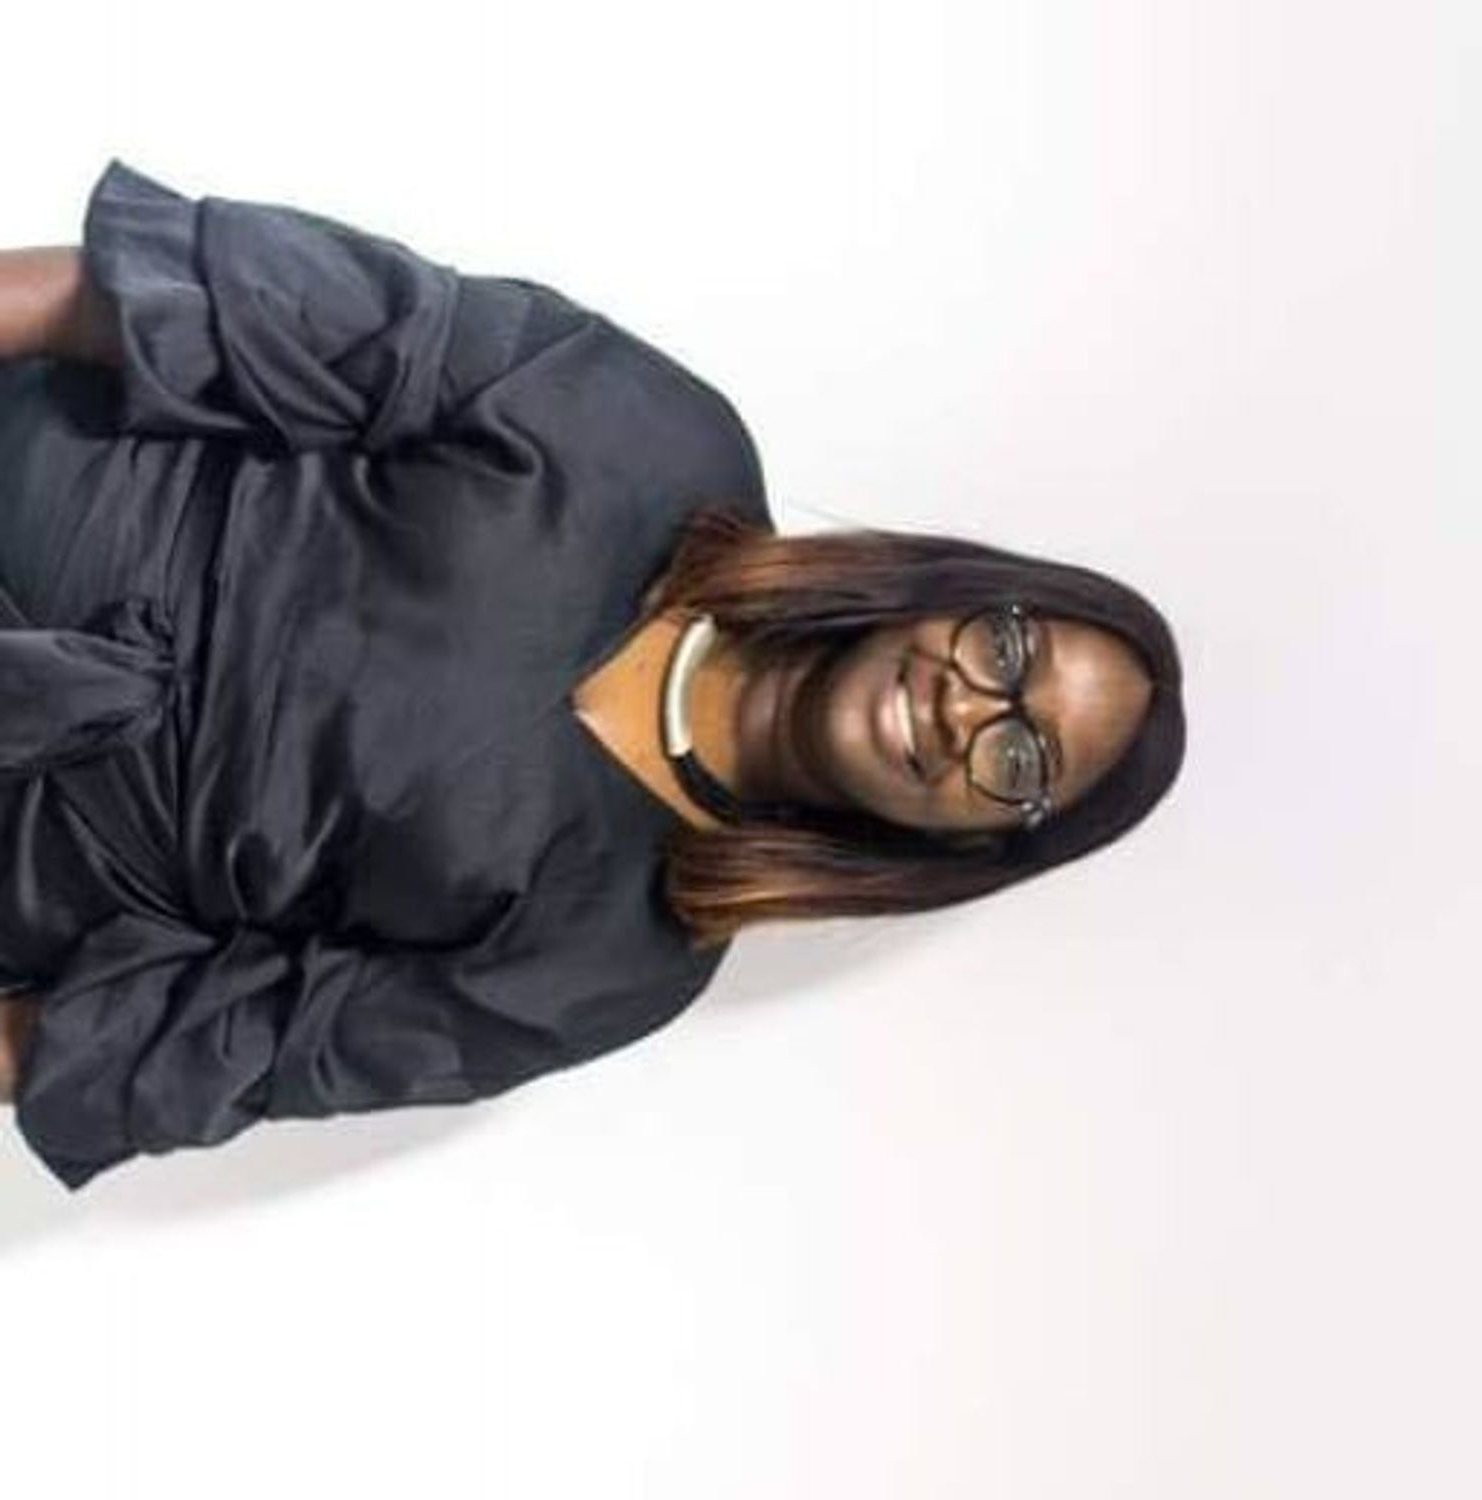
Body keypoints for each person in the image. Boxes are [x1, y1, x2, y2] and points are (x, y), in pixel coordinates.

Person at [0, 159, 1186, 1193]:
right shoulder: (653, 440)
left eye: (1021, 756)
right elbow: (192, 294)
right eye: (1010, 651)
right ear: (959, 592)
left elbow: (191, 1047)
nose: (968, 707)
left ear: (975, 840)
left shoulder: (623, 962)